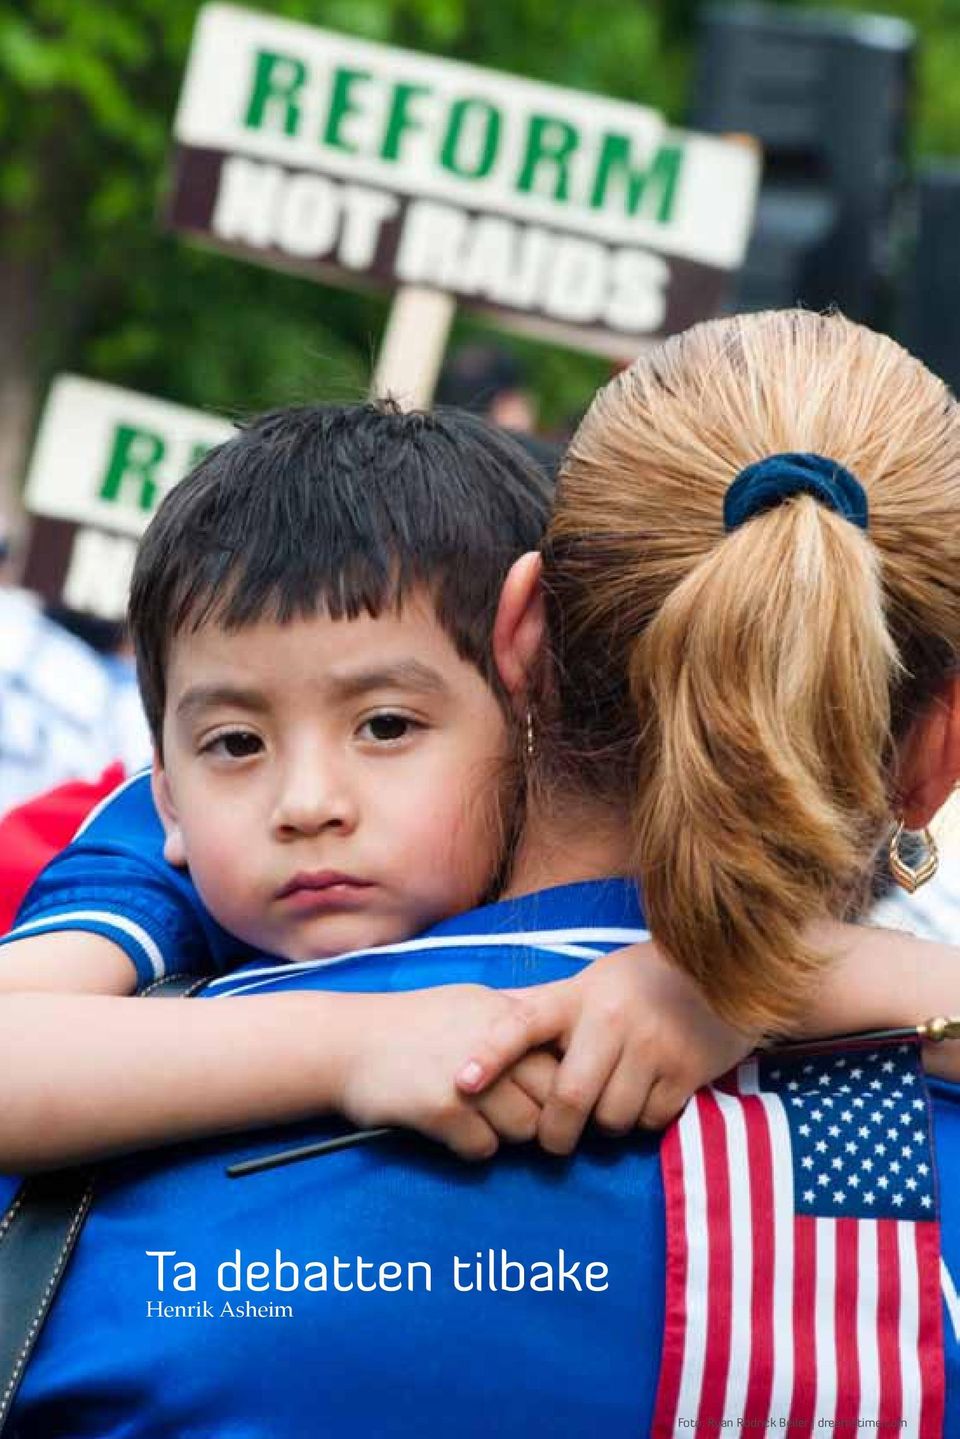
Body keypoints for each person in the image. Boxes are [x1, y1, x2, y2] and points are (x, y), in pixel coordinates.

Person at [3, 309, 960, 1435]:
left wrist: (757, 973)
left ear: (519, 634)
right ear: (939, 751)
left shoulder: (102, 1157)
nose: (308, 800)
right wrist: (789, 974)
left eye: (385, 723)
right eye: (235, 745)